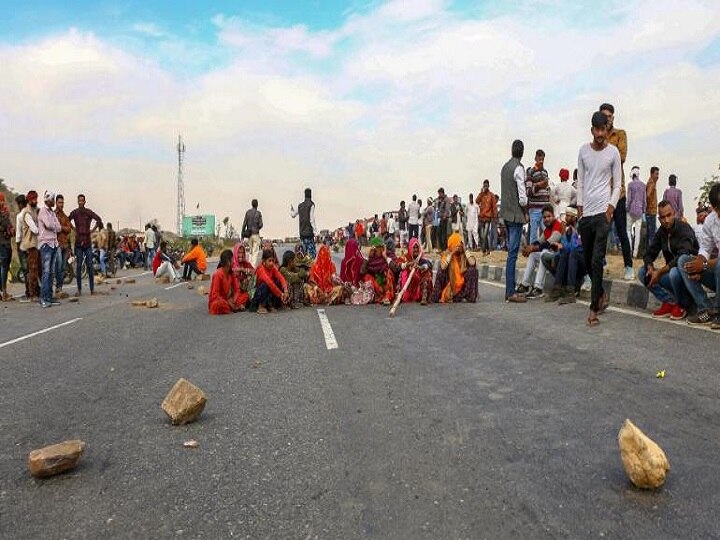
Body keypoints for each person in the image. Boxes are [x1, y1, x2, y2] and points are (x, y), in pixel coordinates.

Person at [577, 111, 622, 326]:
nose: (600, 134)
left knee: (596, 260)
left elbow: (618, 183)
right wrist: (579, 207)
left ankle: (593, 309)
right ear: (592, 130)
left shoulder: (613, 152)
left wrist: (611, 208)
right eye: (596, 130)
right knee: (587, 260)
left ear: (607, 129)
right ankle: (601, 293)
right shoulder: (583, 151)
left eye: (603, 129)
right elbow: (582, 181)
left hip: (603, 214)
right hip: (586, 214)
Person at [638, 200, 696, 320]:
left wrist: (659, 272)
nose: (666, 220)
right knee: (642, 272)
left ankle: (682, 305)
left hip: (690, 276)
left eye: (669, 215)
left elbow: (683, 255)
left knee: (674, 272)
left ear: (674, 213)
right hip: (671, 275)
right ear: (659, 219)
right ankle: (669, 302)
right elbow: (649, 253)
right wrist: (650, 267)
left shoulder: (684, 228)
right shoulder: (661, 232)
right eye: (663, 217)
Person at [599, 103, 634, 281]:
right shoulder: (597, 136)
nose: (607, 119)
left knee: (621, 231)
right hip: (601, 193)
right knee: (602, 232)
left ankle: (628, 265)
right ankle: (600, 266)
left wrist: (604, 144)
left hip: (617, 192)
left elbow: (621, 157)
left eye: (610, 116)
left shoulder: (620, 134)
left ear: (613, 118)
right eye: (604, 116)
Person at [679, 183, 720, 327]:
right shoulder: (710, 220)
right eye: (718, 207)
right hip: (717, 275)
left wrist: (702, 265)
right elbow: (705, 249)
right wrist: (698, 265)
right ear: (714, 208)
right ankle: (705, 309)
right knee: (683, 261)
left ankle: (717, 311)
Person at [501, 140, 529, 303]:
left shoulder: (505, 167)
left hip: (505, 213)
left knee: (510, 253)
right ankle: (510, 292)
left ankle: (509, 289)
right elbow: (523, 197)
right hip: (516, 215)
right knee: (512, 254)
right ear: (522, 152)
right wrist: (525, 212)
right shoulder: (519, 168)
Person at [516, 204, 563, 299]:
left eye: (549, 216)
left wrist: (532, 248)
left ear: (553, 216)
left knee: (544, 252)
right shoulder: (547, 229)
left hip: (561, 259)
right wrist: (529, 247)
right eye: (544, 217)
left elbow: (548, 244)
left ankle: (538, 288)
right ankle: (525, 285)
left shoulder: (558, 226)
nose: (546, 219)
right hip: (552, 257)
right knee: (533, 254)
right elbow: (539, 241)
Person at [69, 193, 102, 296]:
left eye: (82, 200)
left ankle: (92, 289)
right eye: (79, 200)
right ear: (77, 201)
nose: (81, 202)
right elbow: (67, 220)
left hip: (87, 242)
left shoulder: (88, 212)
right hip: (78, 242)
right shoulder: (74, 213)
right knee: (78, 267)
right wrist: (73, 229)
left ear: (85, 201)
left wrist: (92, 230)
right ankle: (79, 290)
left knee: (90, 266)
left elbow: (98, 220)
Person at [550, 206, 585, 304]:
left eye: (569, 216)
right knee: (562, 254)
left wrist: (567, 233)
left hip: (584, 262)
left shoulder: (580, 228)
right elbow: (565, 248)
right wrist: (563, 234)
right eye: (566, 215)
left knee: (572, 253)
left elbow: (576, 248)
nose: (566, 218)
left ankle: (571, 292)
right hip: (574, 260)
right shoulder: (568, 230)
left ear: (574, 218)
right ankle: (557, 288)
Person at [431, 232, 478, 303]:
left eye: (460, 244)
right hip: (451, 284)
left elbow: (472, 262)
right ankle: (439, 295)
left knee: (473, 270)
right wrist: (452, 253)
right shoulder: (447, 254)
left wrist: (465, 250)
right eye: (457, 244)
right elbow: (443, 267)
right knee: (441, 271)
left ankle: (469, 296)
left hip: (463, 286)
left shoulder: (464, 254)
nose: (459, 246)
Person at [37, 191, 62, 307]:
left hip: (54, 244)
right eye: (52, 199)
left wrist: (54, 226)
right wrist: (54, 226)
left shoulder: (52, 212)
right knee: (46, 272)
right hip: (46, 244)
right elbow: (48, 225)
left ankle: (49, 297)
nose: (53, 201)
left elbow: (59, 227)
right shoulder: (43, 211)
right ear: (47, 200)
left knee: (51, 272)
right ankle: (43, 299)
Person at [208, 249, 246, 315]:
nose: (234, 262)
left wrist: (234, 300)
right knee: (218, 304)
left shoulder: (231, 273)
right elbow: (215, 295)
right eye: (232, 259)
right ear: (228, 262)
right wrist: (228, 302)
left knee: (245, 295)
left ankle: (234, 306)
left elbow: (237, 289)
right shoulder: (218, 274)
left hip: (228, 299)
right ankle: (232, 306)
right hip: (219, 300)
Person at [19, 190, 41, 302]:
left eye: (36, 198)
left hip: (36, 244)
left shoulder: (34, 210)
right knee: (33, 270)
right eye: (33, 199)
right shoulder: (27, 213)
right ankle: (33, 294)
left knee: (38, 269)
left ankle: (38, 292)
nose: (35, 201)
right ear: (29, 200)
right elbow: (35, 229)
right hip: (30, 245)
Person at [398, 238, 433, 305]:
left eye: (417, 247)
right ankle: (400, 296)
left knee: (427, 273)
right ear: (410, 248)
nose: (416, 250)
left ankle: (424, 297)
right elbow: (398, 265)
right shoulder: (406, 258)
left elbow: (429, 264)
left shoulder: (421, 259)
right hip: (408, 287)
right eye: (414, 248)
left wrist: (420, 267)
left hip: (418, 287)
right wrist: (409, 264)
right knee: (402, 273)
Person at [361, 236, 396, 305]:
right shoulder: (371, 259)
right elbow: (362, 271)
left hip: (388, 285)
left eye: (380, 247)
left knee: (389, 272)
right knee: (367, 276)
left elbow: (395, 269)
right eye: (376, 248)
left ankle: (388, 296)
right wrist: (367, 256)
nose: (379, 250)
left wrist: (385, 257)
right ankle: (378, 296)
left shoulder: (389, 255)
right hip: (378, 287)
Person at [252, 249, 289, 314]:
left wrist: (285, 291)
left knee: (278, 282)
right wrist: (281, 294)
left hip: (269, 290)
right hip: (258, 294)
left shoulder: (272, 267)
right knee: (265, 285)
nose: (272, 263)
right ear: (264, 261)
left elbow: (281, 278)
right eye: (269, 261)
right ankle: (261, 306)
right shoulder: (261, 269)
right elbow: (269, 282)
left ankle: (272, 305)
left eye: (273, 261)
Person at [526, 149, 550, 245]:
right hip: (534, 209)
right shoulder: (531, 172)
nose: (541, 162)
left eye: (542, 160)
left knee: (547, 233)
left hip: (544, 208)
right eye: (539, 159)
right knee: (533, 235)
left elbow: (547, 190)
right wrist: (539, 185)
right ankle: (533, 254)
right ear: (535, 158)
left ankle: (545, 254)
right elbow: (528, 192)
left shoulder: (545, 172)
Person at [626, 166, 647, 259]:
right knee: (637, 233)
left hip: (631, 210)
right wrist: (644, 210)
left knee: (628, 230)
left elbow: (629, 199)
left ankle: (629, 250)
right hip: (639, 210)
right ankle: (635, 253)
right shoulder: (643, 185)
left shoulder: (630, 185)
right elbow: (644, 200)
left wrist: (627, 208)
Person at [290, 188, 317, 258]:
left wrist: (291, 210)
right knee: (311, 255)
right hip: (309, 234)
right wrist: (315, 232)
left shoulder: (300, 206)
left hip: (302, 234)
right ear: (311, 195)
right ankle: (310, 268)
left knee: (303, 254)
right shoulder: (311, 204)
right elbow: (312, 219)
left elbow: (293, 215)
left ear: (304, 195)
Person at [54, 195, 72, 297]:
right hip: (57, 244)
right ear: (56, 203)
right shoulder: (53, 214)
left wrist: (61, 227)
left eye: (62, 203)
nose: (61, 204)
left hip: (65, 245)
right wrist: (62, 228)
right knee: (59, 266)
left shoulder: (65, 216)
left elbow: (68, 229)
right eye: (60, 202)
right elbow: (53, 228)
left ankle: (59, 287)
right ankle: (58, 288)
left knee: (63, 267)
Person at [14, 194, 30, 300]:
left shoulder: (20, 216)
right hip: (32, 245)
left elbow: (18, 234)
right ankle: (35, 290)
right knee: (32, 269)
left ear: (20, 204)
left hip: (23, 246)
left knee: (25, 269)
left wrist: (17, 246)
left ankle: (28, 291)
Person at [476, 180, 497, 256]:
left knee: (484, 235)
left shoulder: (492, 195)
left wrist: (495, 217)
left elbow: (494, 207)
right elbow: (477, 201)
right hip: (481, 218)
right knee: (482, 236)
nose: (485, 187)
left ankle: (484, 251)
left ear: (488, 186)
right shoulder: (481, 195)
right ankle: (487, 249)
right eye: (484, 185)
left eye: (486, 185)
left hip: (488, 218)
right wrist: (480, 193)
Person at [0, 193, 14, 301]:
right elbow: (7, 226)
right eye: (1, 200)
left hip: (7, 243)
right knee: (4, 268)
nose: (2, 202)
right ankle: (4, 292)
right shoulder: (3, 214)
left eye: (2, 200)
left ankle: (3, 292)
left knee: (5, 267)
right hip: (3, 244)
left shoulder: (5, 212)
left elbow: (10, 227)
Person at [241, 199, 263, 266]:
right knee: (255, 252)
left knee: (250, 252)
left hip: (249, 234)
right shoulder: (258, 213)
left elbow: (244, 224)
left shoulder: (248, 212)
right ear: (257, 205)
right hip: (256, 234)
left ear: (251, 204)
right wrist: (257, 227)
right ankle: (252, 267)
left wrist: (242, 234)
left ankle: (249, 265)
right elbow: (261, 224)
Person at [646, 166, 659, 250]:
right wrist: (649, 205)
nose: (658, 176)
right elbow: (647, 195)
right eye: (656, 174)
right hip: (651, 212)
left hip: (650, 211)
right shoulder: (652, 183)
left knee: (651, 233)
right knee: (652, 234)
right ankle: (651, 251)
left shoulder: (651, 182)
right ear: (651, 174)